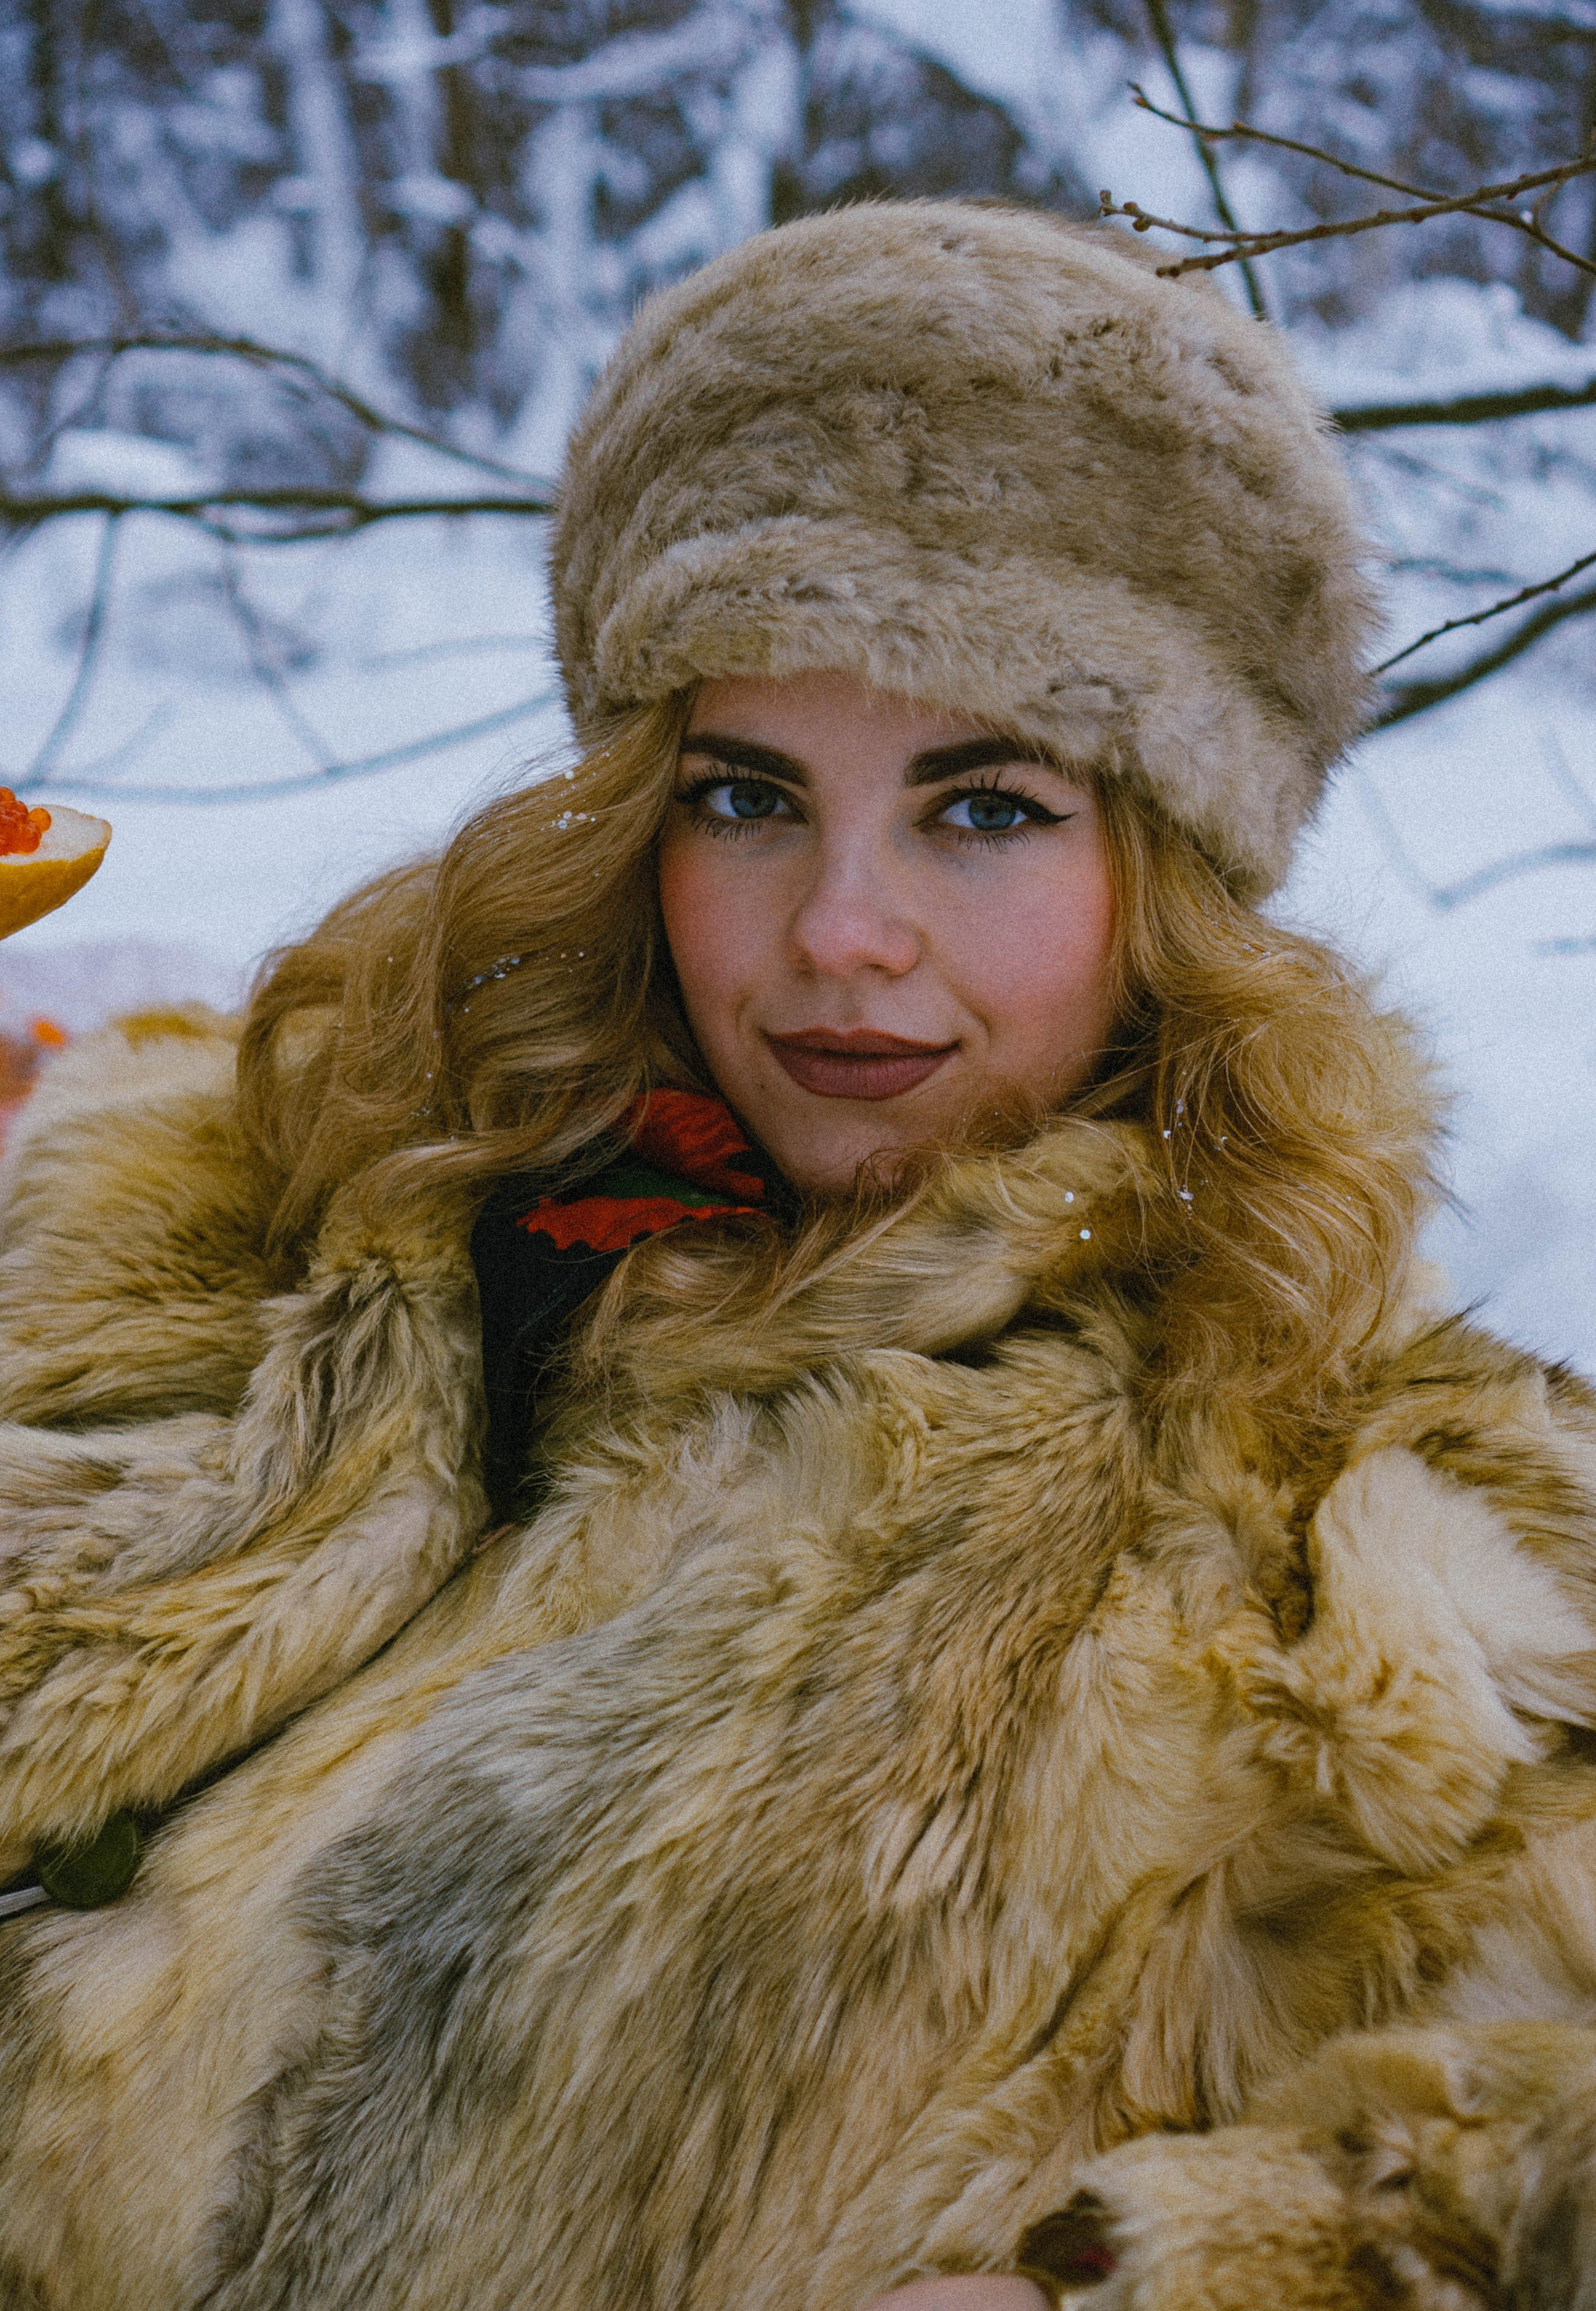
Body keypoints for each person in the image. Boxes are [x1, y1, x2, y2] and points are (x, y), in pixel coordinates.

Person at [0, 201, 1592, 2311]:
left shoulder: (1380, 1530)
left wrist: (1175, 2280)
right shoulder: (237, 1223)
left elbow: (1534, 2138)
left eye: (985, 807)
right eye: (748, 798)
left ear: (1173, 863)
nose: (840, 929)